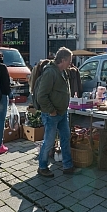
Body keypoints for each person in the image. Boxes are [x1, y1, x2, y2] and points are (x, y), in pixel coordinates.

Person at [35, 47, 79, 177]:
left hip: (62, 112)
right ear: (63, 60)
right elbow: (41, 96)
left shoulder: (62, 72)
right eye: (69, 60)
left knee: (65, 138)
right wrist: (51, 111)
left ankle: (68, 166)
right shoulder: (50, 72)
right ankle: (42, 167)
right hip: (52, 114)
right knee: (49, 142)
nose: (70, 63)